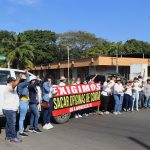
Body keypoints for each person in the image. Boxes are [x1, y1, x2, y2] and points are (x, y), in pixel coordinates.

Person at [2, 77, 21, 142]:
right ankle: (13, 137)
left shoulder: (11, 88)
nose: (15, 82)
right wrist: (19, 78)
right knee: (12, 123)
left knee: (8, 123)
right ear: (11, 82)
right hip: (9, 109)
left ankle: (8, 136)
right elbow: (14, 85)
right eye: (14, 81)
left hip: (9, 108)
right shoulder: (9, 87)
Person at [17, 70, 30, 136]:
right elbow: (28, 81)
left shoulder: (21, 85)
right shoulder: (21, 84)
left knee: (23, 117)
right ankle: (21, 131)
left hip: (24, 102)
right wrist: (26, 73)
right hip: (23, 102)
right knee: (22, 118)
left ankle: (22, 129)